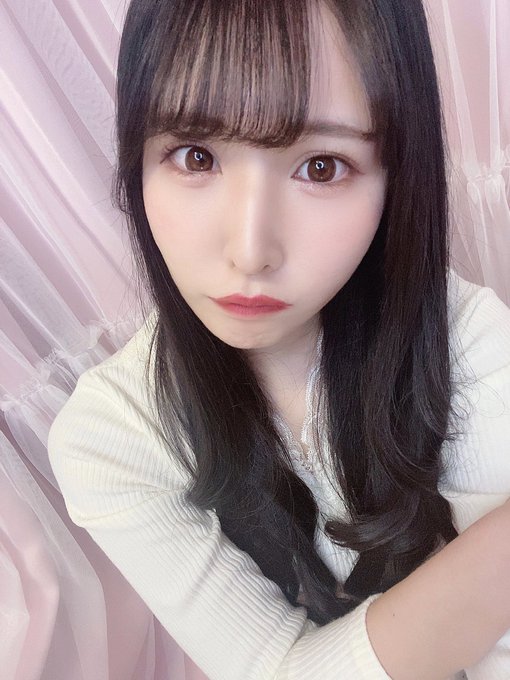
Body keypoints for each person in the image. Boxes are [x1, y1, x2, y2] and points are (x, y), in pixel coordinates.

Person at [47, 0, 510, 678]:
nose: (250, 250)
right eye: (197, 156)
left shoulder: (464, 341)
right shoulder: (112, 437)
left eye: (321, 167)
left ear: (397, 177)